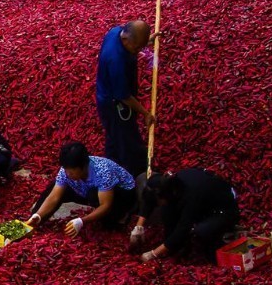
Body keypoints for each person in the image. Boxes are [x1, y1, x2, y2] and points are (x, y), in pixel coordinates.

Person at [28, 142, 137, 237]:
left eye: (72, 171)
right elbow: (54, 196)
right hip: (88, 189)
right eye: (66, 170)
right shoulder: (67, 170)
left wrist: (82, 221)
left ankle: (118, 217)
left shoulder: (103, 172)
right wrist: (38, 215)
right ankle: (34, 222)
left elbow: (106, 205)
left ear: (84, 166)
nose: (68, 173)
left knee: (95, 197)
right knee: (55, 186)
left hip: (123, 195)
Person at [134, 168, 239, 263]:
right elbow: (149, 202)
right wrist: (138, 227)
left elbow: (183, 228)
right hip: (202, 202)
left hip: (223, 209)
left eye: (158, 202)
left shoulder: (192, 196)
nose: (157, 205)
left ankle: (224, 234)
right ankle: (173, 247)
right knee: (167, 210)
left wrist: (153, 254)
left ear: (166, 194)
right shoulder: (169, 185)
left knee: (201, 231)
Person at [95, 19, 159, 177]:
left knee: (114, 135)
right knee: (126, 137)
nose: (138, 51)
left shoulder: (116, 32)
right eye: (137, 47)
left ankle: (111, 162)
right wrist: (145, 113)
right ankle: (133, 173)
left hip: (110, 91)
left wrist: (146, 41)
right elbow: (123, 96)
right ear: (125, 40)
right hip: (113, 103)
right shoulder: (116, 61)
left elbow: (134, 43)